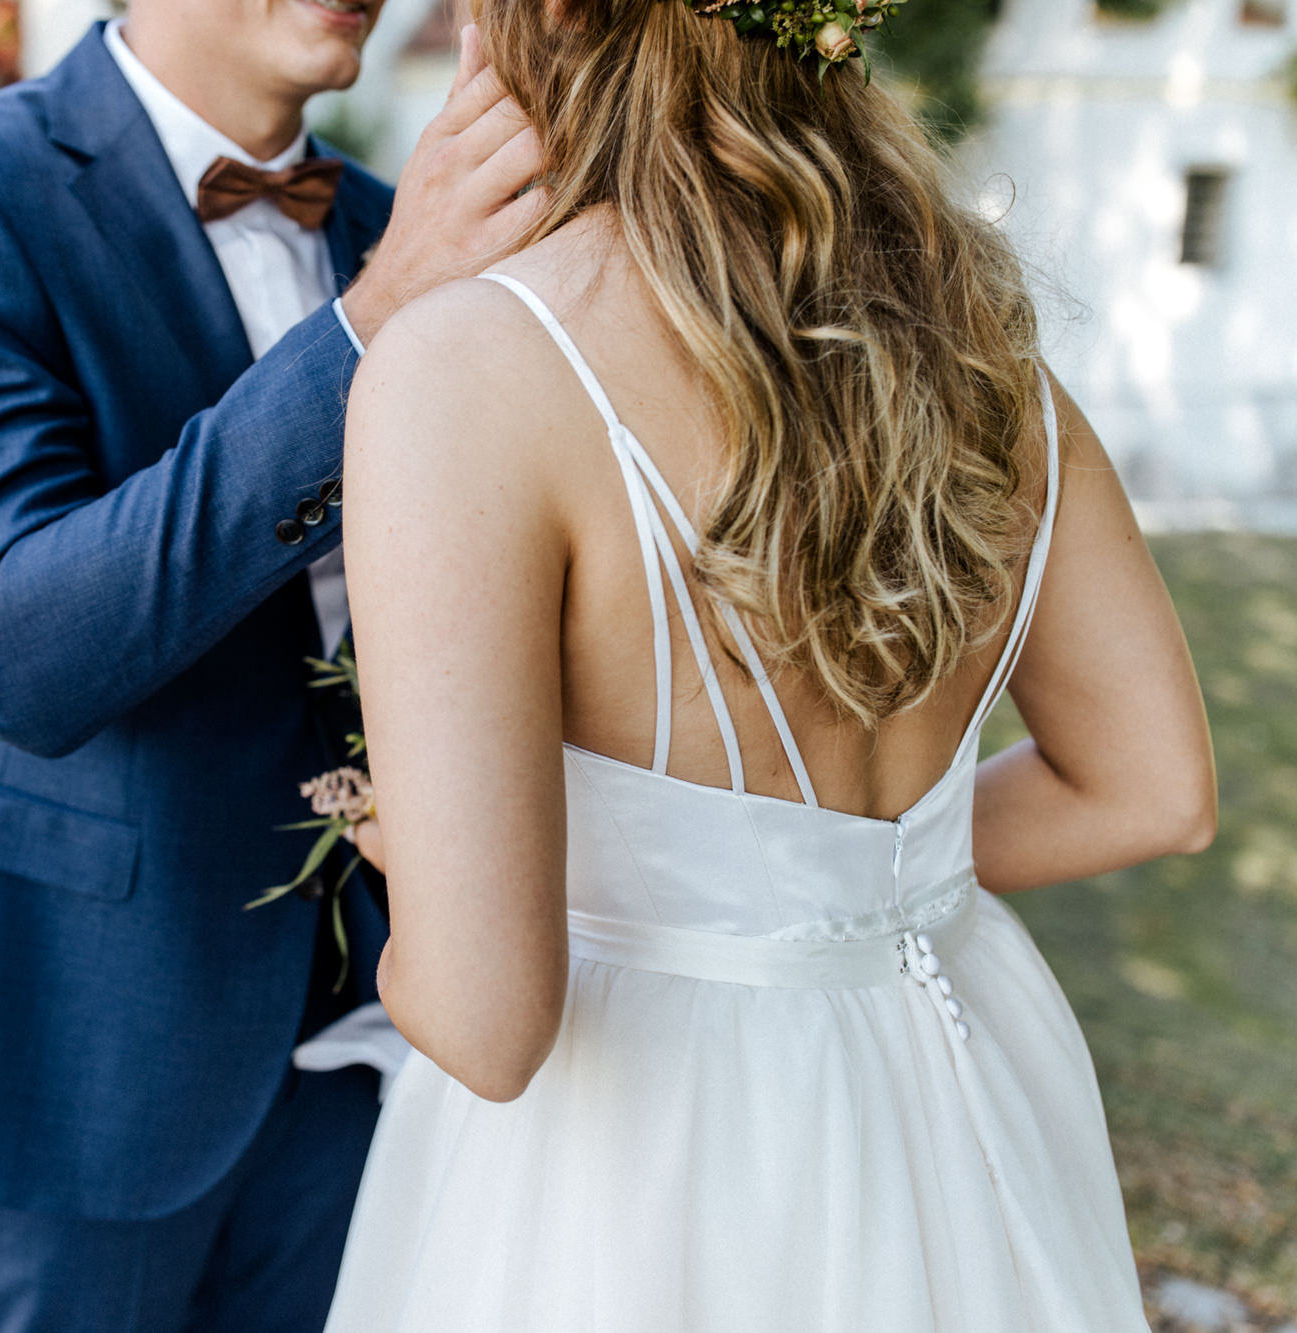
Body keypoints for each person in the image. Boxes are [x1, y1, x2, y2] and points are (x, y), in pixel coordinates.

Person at [324, 0, 1219, 1327]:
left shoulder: (469, 366)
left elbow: (487, 1023)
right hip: (950, 1103)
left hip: (641, 1168)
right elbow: (1153, 789)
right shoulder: (981, 341)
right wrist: (836, 877)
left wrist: (427, 859)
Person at [0, 3, 544, 1329]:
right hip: (101, 1032)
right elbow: (16, 649)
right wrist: (368, 323)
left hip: (380, 1016)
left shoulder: (396, 218)